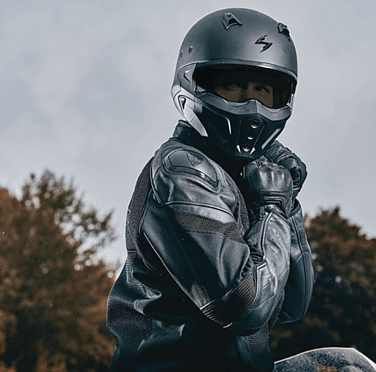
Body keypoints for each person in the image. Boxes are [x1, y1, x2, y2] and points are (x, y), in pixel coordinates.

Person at [106, 8, 314, 372]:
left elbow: (293, 304)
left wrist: (288, 200)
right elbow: (245, 306)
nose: (251, 106)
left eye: (263, 90)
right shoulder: (183, 171)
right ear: (197, 85)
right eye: (233, 86)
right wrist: (271, 208)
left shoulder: (242, 176)